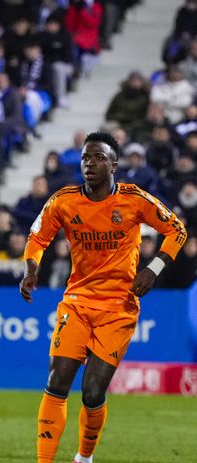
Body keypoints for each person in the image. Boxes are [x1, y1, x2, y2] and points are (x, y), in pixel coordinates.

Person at [19, 131, 187, 463]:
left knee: (93, 392)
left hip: (118, 307)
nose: (90, 164)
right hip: (78, 302)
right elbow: (37, 237)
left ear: (113, 164)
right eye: (85, 158)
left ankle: (84, 457)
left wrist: (153, 268)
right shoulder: (64, 200)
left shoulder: (134, 199)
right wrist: (30, 267)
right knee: (57, 380)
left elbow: (177, 230)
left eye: (97, 158)